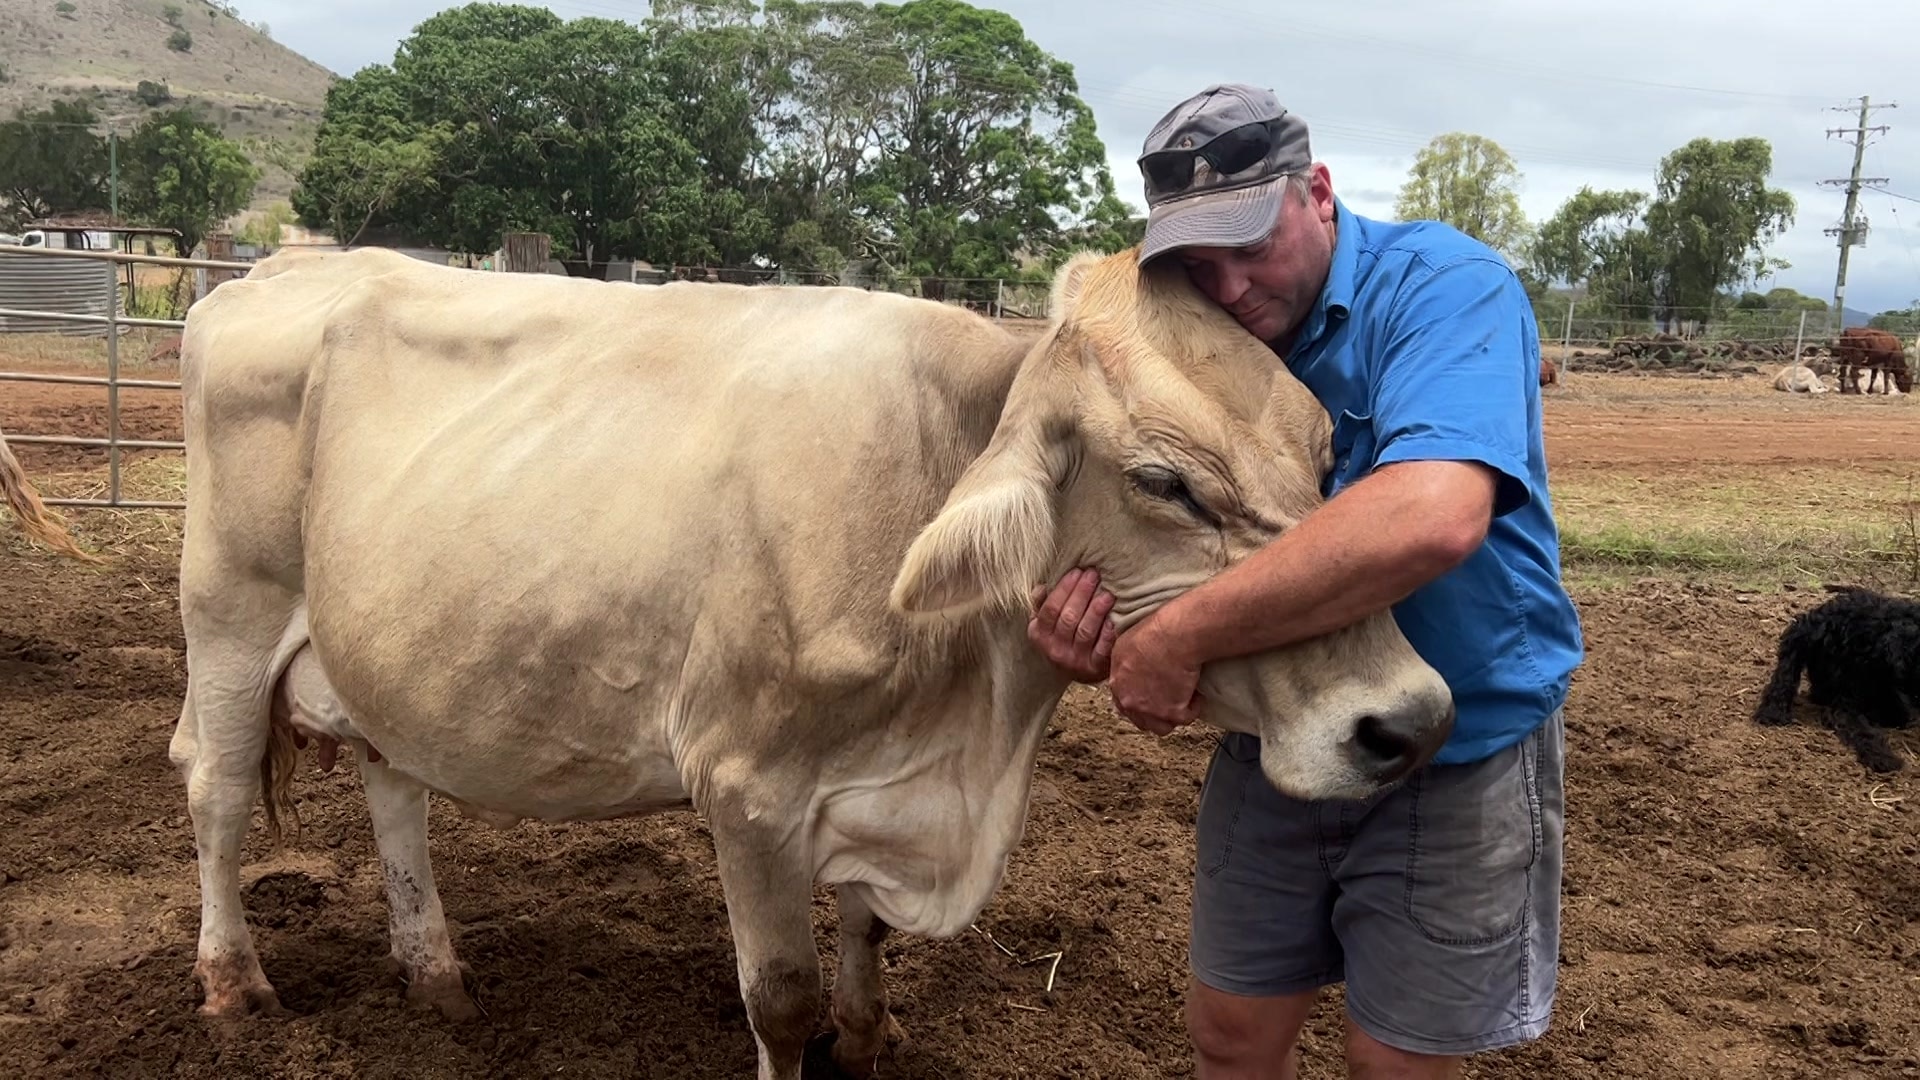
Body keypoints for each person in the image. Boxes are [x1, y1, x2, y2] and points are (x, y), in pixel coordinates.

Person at [1027, 83, 1584, 1079]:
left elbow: (1434, 514)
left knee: (1395, 1062)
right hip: (1271, 728)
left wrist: (1181, 636)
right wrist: (1098, 626)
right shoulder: (1197, 343)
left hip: (1453, 744)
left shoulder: (1447, 288)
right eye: (1199, 261)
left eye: (1252, 243)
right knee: (1231, 1037)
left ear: (1317, 191)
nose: (1231, 285)